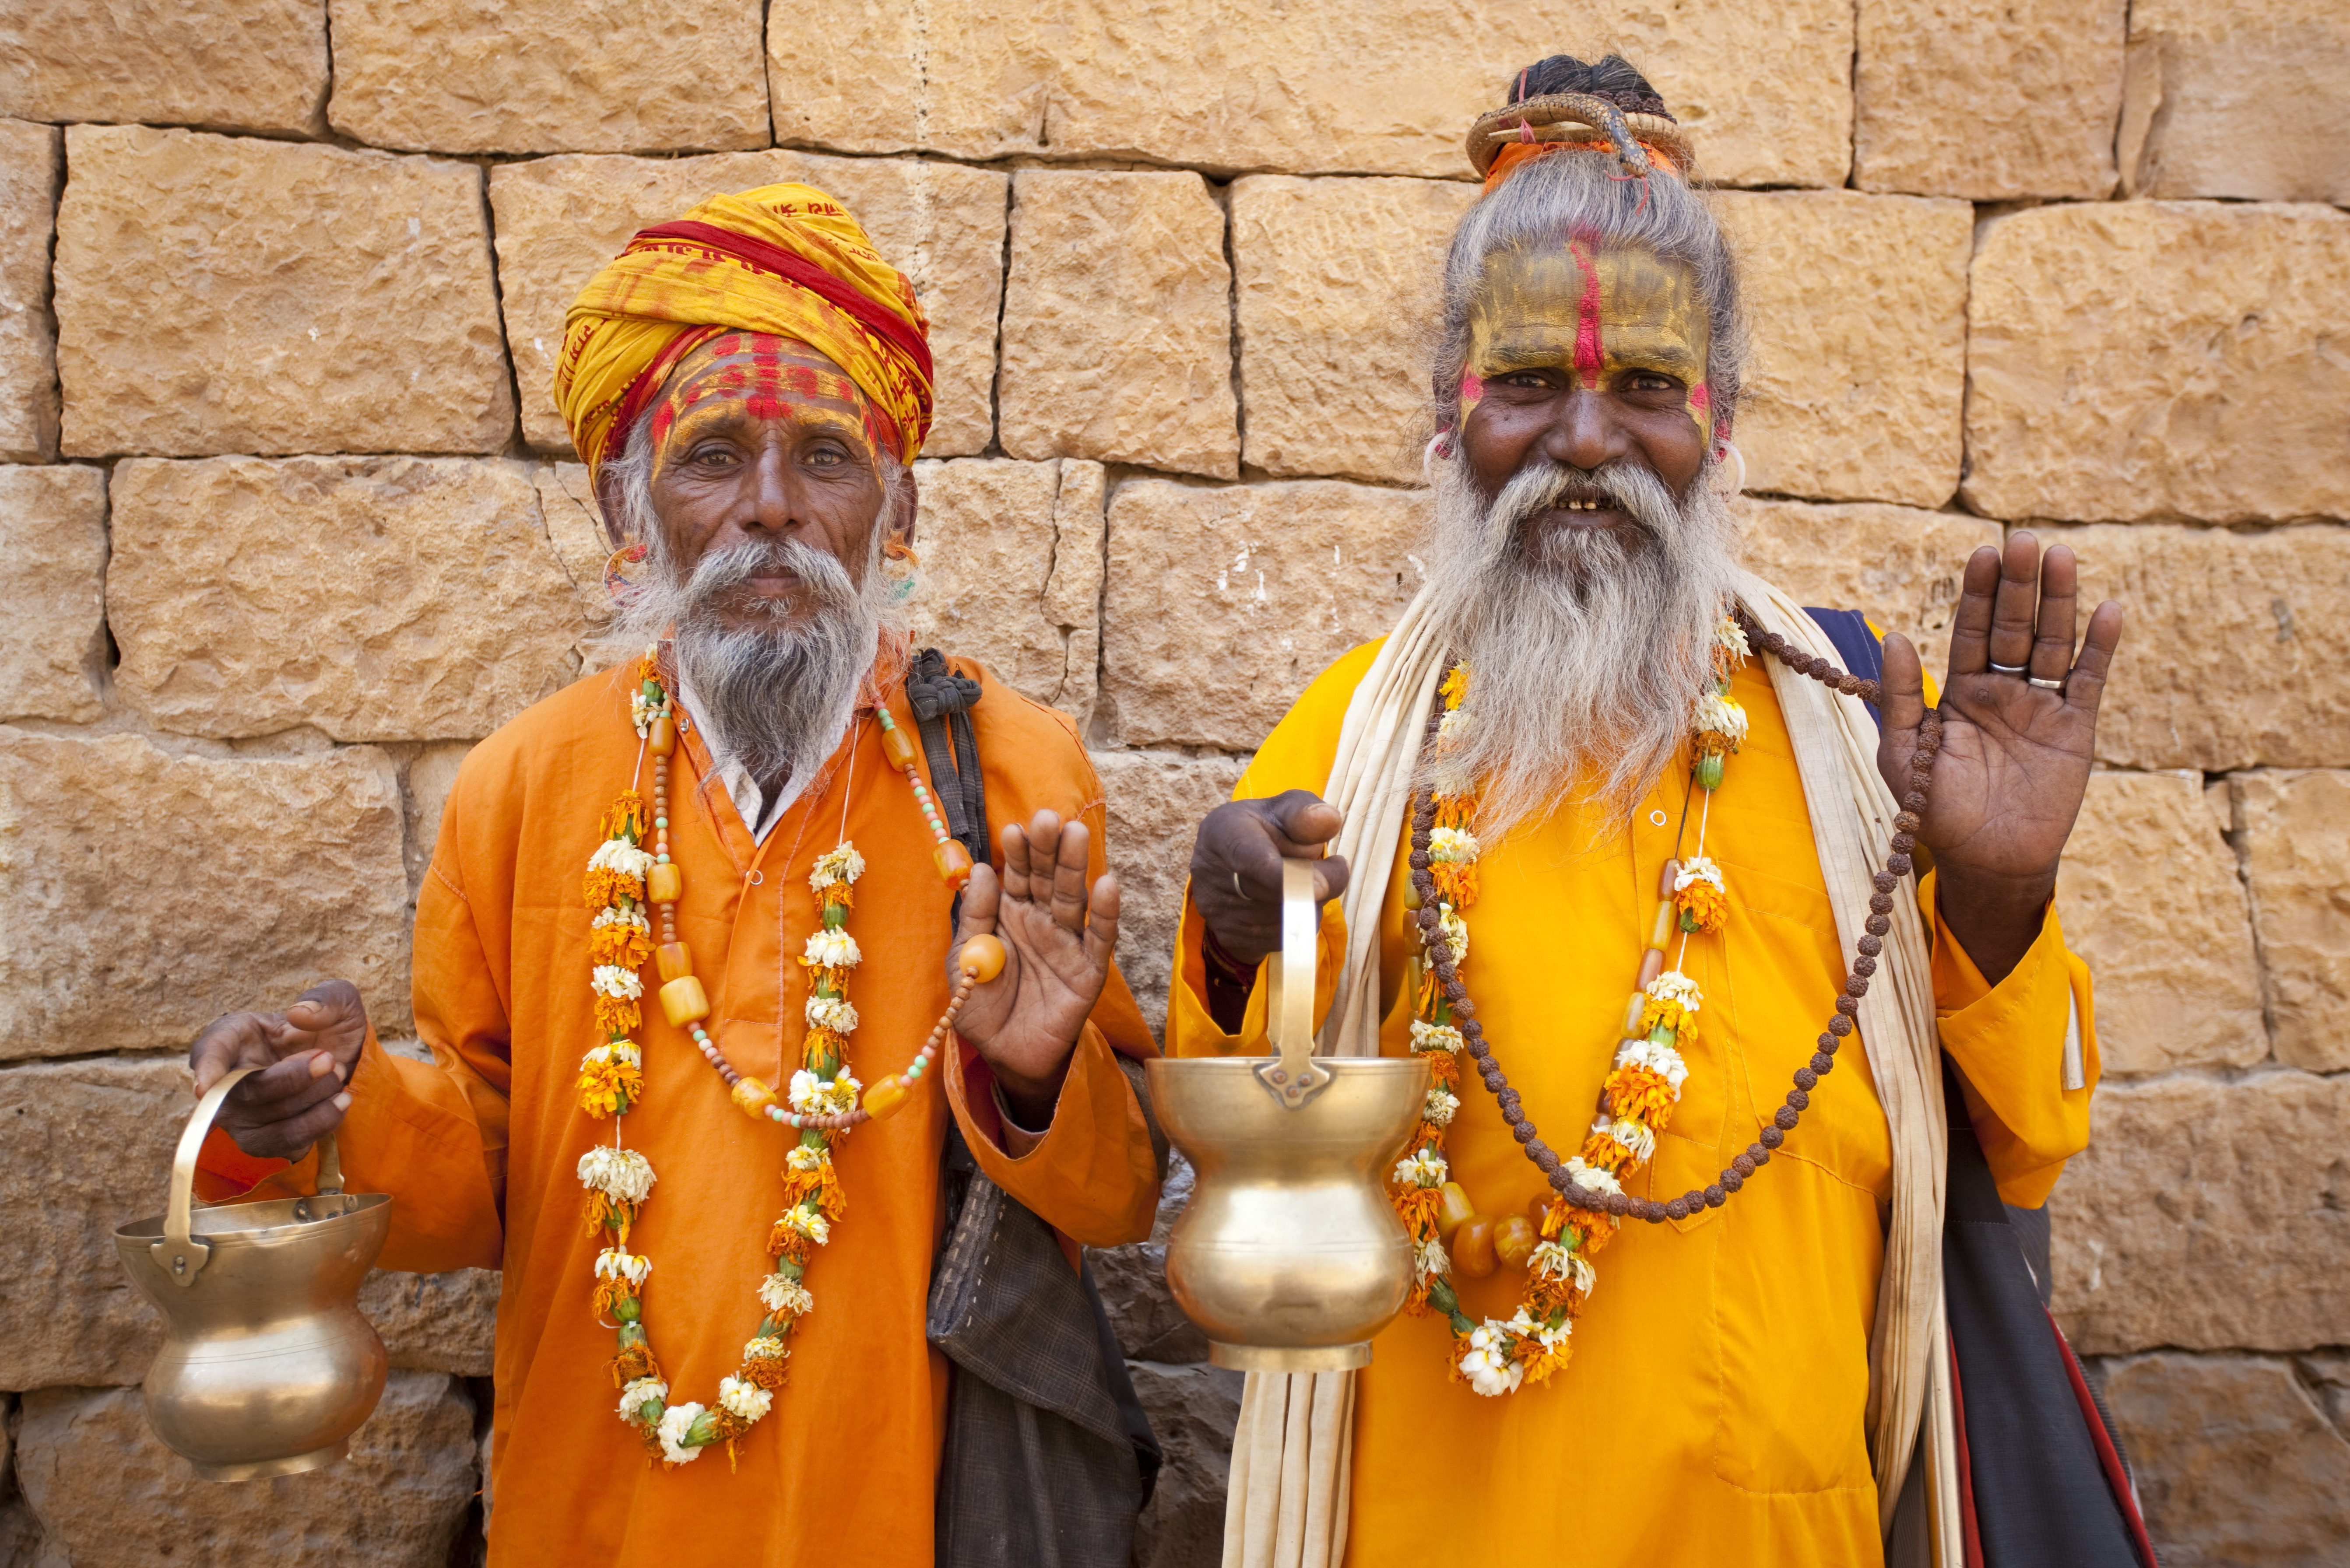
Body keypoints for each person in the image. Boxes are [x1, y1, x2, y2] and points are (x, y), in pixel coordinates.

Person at [1174, 56, 2124, 1566]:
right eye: (1526, 384)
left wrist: (2000, 895)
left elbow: (2023, 1155)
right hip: (1443, 1525)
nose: (1585, 441)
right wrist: (1241, 937)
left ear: (1718, 420)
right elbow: (1249, 1151)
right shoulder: (1357, 733)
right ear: (1447, 414)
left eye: (1645, 388)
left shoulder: (1858, 724)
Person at [185, 183, 1163, 1564]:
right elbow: (487, 1174)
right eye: (712, 458)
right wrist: (320, 1116)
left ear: (898, 505)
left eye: (825, 459)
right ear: (625, 504)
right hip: (600, 1494)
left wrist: (1034, 1077)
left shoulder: (1008, 771)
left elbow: (1118, 1200)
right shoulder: (528, 782)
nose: (772, 510)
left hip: (901, 1492)